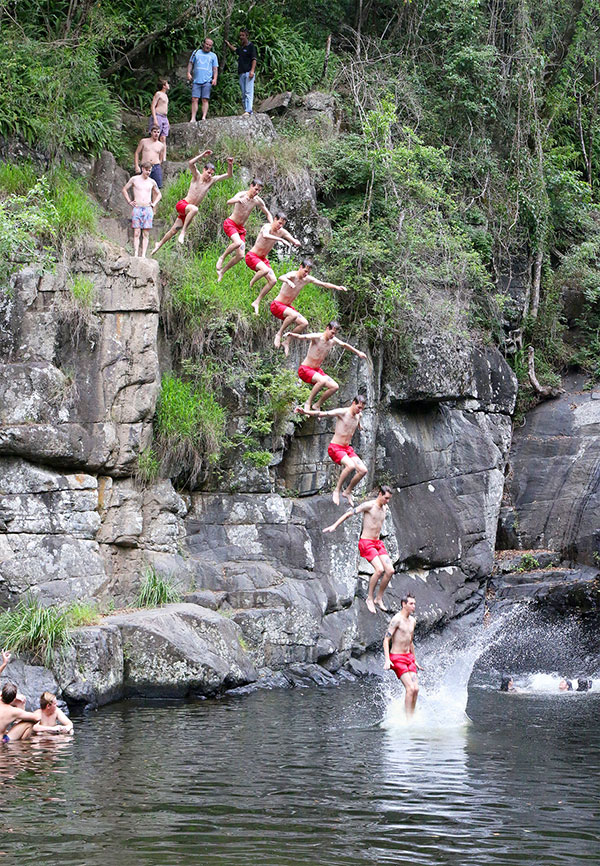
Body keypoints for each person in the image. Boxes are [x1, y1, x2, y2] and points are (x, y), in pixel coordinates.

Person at [323, 485, 395, 613]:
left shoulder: (385, 507)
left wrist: (386, 503)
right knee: (379, 570)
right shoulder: (369, 506)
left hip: (377, 543)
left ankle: (379, 598)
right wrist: (334, 526)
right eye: (386, 498)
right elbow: (349, 513)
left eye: (389, 499)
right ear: (380, 494)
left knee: (390, 571)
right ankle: (369, 598)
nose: (387, 501)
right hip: (366, 543)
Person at [150, 151, 234, 254]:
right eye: (208, 172)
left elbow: (229, 175)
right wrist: (202, 155)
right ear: (204, 170)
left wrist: (230, 165)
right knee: (195, 209)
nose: (209, 175)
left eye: (212, 174)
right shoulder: (197, 177)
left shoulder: (212, 180)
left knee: (173, 230)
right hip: (183, 205)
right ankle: (183, 233)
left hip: (188, 212)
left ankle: (158, 244)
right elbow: (190, 163)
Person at [298, 395, 368, 505]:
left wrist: (360, 425)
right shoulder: (343, 412)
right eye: (358, 407)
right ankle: (337, 490)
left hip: (347, 449)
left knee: (363, 470)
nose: (360, 410)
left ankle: (347, 491)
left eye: (362, 408)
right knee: (351, 466)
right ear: (353, 403)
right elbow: (323, 414)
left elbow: (358, 419)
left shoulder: (359, 415)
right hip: (335, 448)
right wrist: (305, 412)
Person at [285, 321, 367, 412]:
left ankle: (317, 405)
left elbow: (344, 345)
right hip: (305, 369)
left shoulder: (333, 340)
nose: (333, 336)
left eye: (335, 334)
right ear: (327, 328)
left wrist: (358, 352)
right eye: (332, 333)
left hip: (316, 371)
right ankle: (308, 402)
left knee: (335, 386)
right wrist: (291, 334)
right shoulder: (317, 337)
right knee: (322, 380)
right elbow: (303, 337)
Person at [272, 260, 348, 354]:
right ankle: (279, 334)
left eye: (308, 272)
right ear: (300, 267)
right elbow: (281, 277)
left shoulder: (307, 279)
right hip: (277, 305)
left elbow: (323, 284)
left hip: (287, 307)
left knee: (304, 323)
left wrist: (337, 287)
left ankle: (287, 341)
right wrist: (288, 281)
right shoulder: (293, 275)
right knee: (294, 315)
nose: (306, 274)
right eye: (305, 271)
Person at [216, 180, 272, 281]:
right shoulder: (241, 195)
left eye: (259, 191)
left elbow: (267, 213)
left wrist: (272, 225)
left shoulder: (257, 201)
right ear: (251, 186)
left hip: (240, 229)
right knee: (238, 242)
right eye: (255, 189)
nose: (256, 192)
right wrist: (237, 200)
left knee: (240, 256)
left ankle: (222, 271)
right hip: (231, 224)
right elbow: (229, 202)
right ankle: (222, 257)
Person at [247, 214, 301, 314]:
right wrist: (280, 239)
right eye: (279, 223)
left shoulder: (281, 231)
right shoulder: (266, 227)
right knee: (265, 270)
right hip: (252, 256)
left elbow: (291, 238)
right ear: (275, 219)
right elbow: (265, 235)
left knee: (273, 281)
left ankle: (256, 301)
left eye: (282, 225)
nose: (280, 226)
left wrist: (295, 242)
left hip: (263, 260)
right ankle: (251, 283)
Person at [383, 595, 423, 717]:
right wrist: (387, 660)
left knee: (416, 689)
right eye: (411, 603)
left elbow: (410, 641)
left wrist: (414, 659)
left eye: (414, 603)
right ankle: (407, 719)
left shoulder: (413, 621)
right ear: (403, 604)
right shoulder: (396, 620)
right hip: (397, 658)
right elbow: (386, 640)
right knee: (410, 688)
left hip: (409, 658)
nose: (414, 606)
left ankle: (411, 713)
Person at [121, 163, 162, 257]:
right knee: (136, 232)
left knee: (146, 233)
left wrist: (154, 203)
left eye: (150, 170)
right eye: (147, 170)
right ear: (142, 169)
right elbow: (124, 189)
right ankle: (135, 253)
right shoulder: (134, 179)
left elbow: (159, 194)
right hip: (137, 208)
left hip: (147, 208)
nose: (148, 172)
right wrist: (129, 201)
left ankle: (143, 255)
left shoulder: (152, 182)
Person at [225, 28, 258, 116]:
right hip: (241, 73)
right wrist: (228, 45)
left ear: (247, 36)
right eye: (240, 35)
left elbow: (254, 59)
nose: (241, 37)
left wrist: (252, 71)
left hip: (248, 72)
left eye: (243, 35)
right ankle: (246, 111)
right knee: (243, 93)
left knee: (248, 92)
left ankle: (249, 110)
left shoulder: (251, 46)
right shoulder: (241, 48)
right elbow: (235, 50)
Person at [188, 38, 219, 122]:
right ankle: (193, 117)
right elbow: (191, 63)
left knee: (205, 99)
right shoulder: (196, 52)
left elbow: (215, 68)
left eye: (210, 45)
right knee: (194, 99)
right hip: (196, 80)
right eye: (207, 44)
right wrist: (188, 73)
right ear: (203, 44)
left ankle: (204, 117)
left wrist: (215, 78)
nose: (208, 46)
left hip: (207, 80)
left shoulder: (213, 56)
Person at [134, 125, 166, 189]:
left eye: (158, 132)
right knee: (142, 186)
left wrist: (159, 163)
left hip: (156, 166)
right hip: (145, 166)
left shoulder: (161, 145)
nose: (156, 134)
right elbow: (137, 153)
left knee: (157, 186)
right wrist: (136, 166)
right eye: (154, 132)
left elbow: (161, 157)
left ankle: (155, 199)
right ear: (151, 132)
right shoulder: (144, 141)